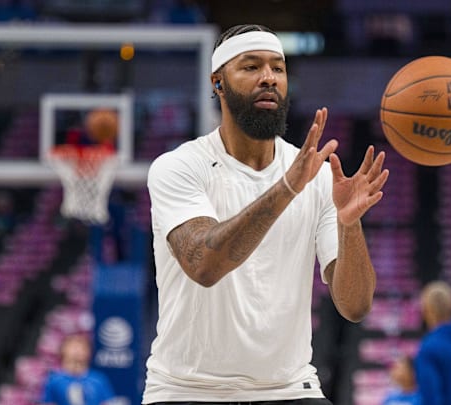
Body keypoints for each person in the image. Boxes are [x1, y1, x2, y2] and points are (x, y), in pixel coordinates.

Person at [143, 24, 389, 404]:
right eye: (251, 67)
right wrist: (287, 188)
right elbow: (204, 265)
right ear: (218, 83)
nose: (268, 78)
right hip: (187, 389)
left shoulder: (319, 174)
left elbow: (355, 306)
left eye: (278, 68)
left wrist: (349, 223)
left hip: (289, 388)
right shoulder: (179, 167)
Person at [40, 334, 116, 405]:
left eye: (82, 347)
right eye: (73, 346)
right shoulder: (54, 380)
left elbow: (107, 402)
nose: (77, 350)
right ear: (63, 350)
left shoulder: (98, 379)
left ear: (89, 352)